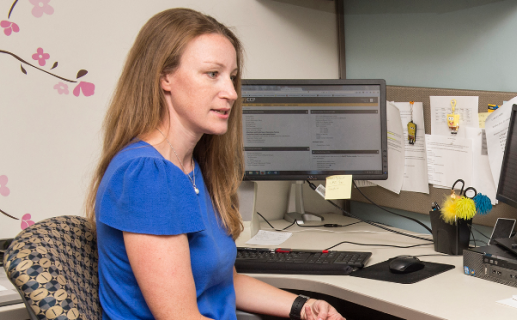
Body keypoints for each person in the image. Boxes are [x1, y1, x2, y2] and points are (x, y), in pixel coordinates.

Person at [84, 8, 344, 320]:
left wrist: (302, 307)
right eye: (212, 74)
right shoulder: (147, 176)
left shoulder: (190, 168)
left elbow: (223, 284)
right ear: (165, 77)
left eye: (232, 77)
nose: (232, 93)